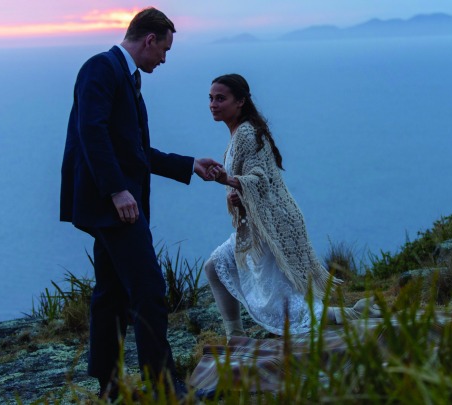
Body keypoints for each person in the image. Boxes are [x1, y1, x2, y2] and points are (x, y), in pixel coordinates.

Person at [59, 8, 221, 400]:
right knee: (149, 289)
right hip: (114, 206)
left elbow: (134, 151)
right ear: (149, 40)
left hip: (112, 204)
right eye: (164, 50)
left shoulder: (124, 77)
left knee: (110, 294)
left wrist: (188, 165)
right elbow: (91, 130)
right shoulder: (101, 68)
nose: (164, 59)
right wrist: (116, 190)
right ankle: (164, 388)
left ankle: (109, 385)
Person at [203, 74, 366, 340]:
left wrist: (230, 181)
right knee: (215, 266)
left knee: (288, 309)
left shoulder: (246, 133)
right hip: (263, 223)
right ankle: (235, 336)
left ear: (241, 101)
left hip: (274, 224)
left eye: (221, 98)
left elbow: (260, 180)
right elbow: (253, 182)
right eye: (210, 98)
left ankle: (350, 314)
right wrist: (235, 195)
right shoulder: (238, 133)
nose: (213, 104)